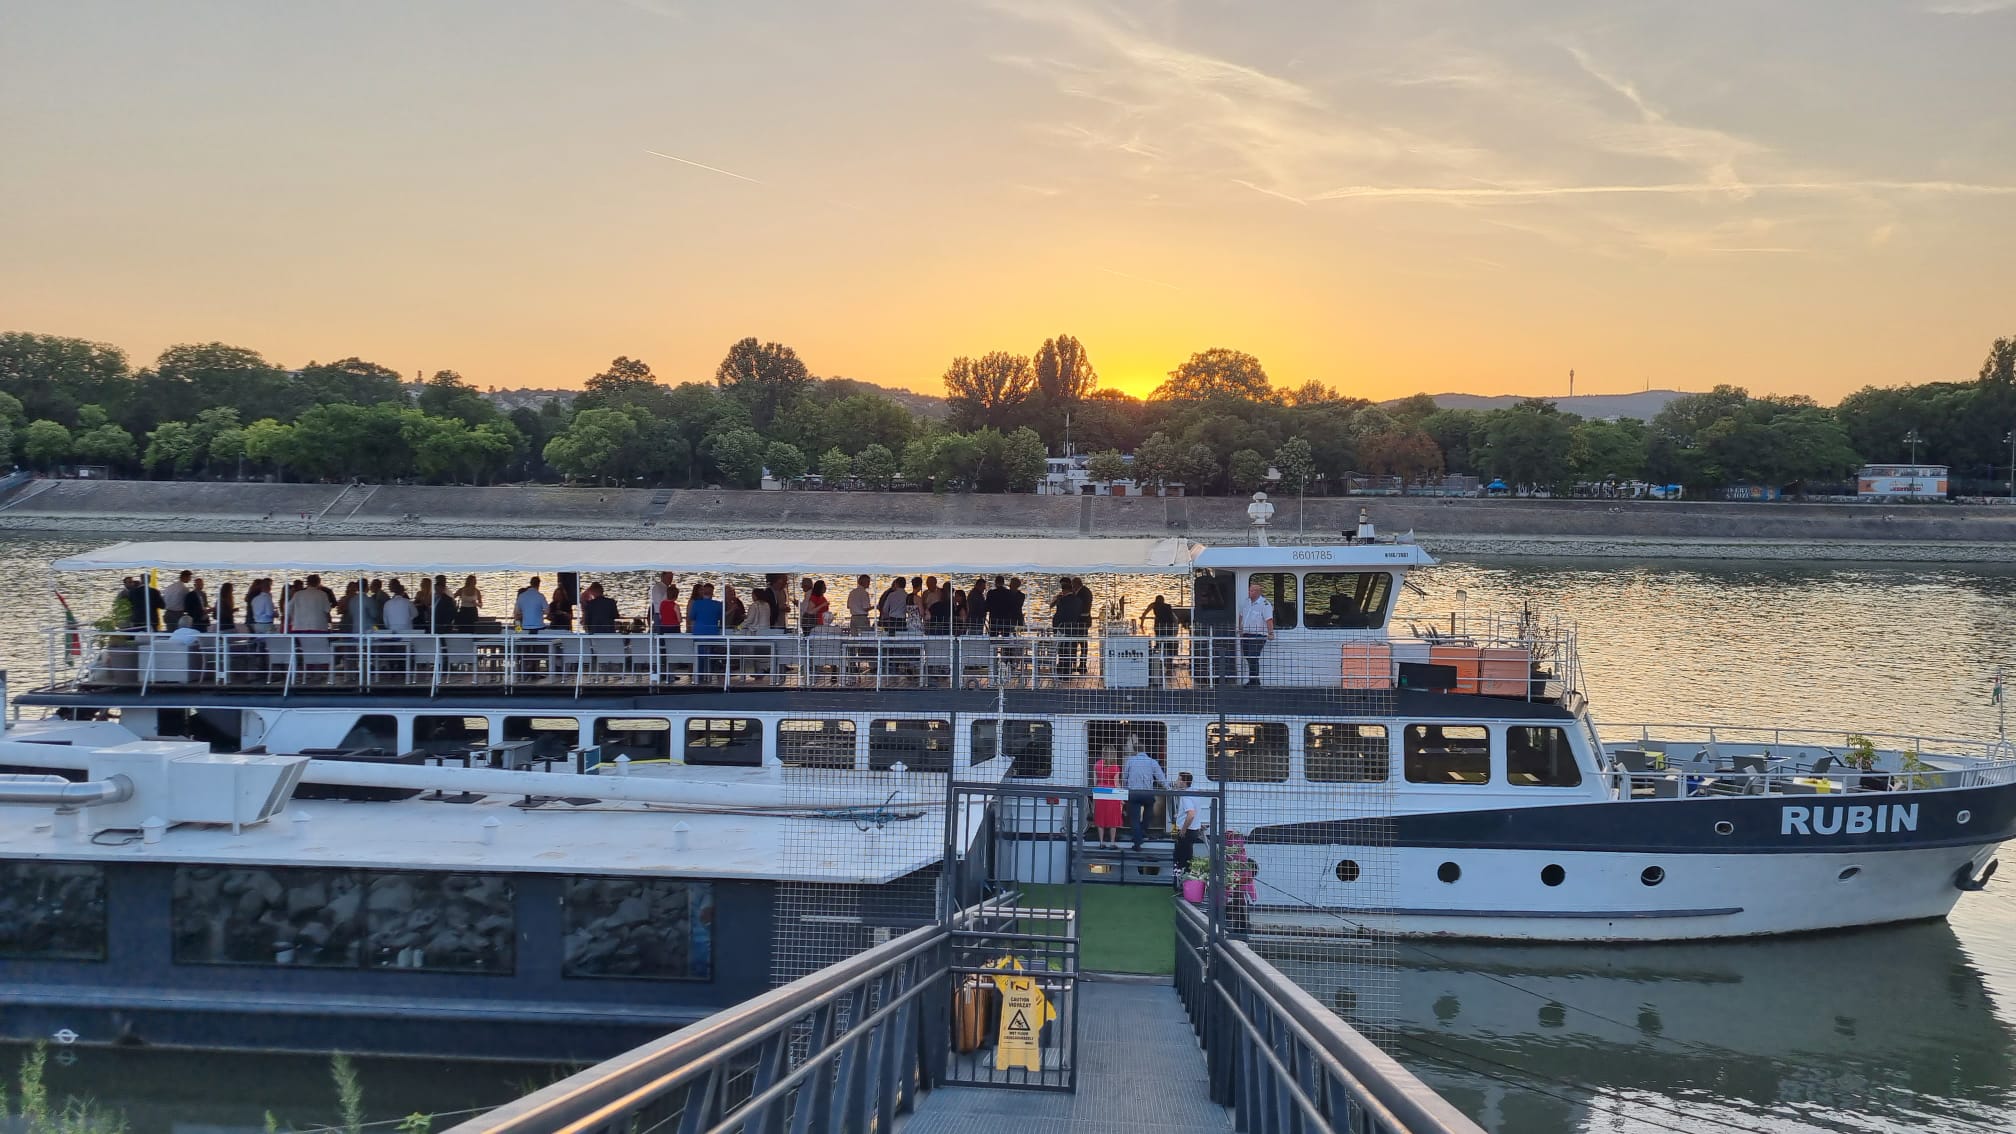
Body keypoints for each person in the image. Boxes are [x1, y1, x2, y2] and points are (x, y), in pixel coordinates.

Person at [1122, 744, 1169, 851]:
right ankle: (1142, 830)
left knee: (1134, 819)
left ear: (1135, 751)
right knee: (1149, 812)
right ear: (1145, 751)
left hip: (1133, 793)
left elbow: (1125, 777)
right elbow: (1160, 777)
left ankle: (1137, 842)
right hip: (1147, 793)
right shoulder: (1152, 762)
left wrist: (1125, 789)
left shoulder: (1130, 761)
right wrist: (1168, 788)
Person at [1172, 772, 1208, 888]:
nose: (1176, 782)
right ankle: (1187, 884)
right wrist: (1180, 814)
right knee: (1188, 857)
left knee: (1179, 858)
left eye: (1178, 780)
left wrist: (1183, 829)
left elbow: (1191, 814)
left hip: (1186, 831)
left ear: (1183, 782)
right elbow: (1194, 810)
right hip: (1194, 830)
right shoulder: (1194, 792)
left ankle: (1179, 884)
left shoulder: (1185, 796)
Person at [1238, 581, 1275, 686]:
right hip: (1246, 634)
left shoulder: (1265, 604)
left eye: (1252, 590)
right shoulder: (1246, 602)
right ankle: (1253, 679)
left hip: (1258, 635)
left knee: (1253, 656)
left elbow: (1269, 620)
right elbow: (1241, 615)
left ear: (1258, 592)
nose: (1250, 592)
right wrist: (1240, 628)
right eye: (1250, 590)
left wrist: (1270, 633)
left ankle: (1254, 681)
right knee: (1247, 656)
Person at [689, 582, 725, 676]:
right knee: (713, 655)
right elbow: (721, 618)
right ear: (712, 593)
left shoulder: (696, 603)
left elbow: (692, 616)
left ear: (703, 592)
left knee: (700, 656)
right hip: (713, 634)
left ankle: (699, 676)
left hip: (699, 633)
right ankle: (711, 673)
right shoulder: (718, 605)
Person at [1091, 746, 1124, 848]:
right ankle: (1112, 842)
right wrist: (1121, 798)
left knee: (1100, 817)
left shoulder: (1097, 765)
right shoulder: (1115, 767)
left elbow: (1095, 781)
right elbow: (1117, 783)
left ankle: (1101, 842)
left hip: (1100, 791)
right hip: (1112, 793)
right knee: (1113, 819)